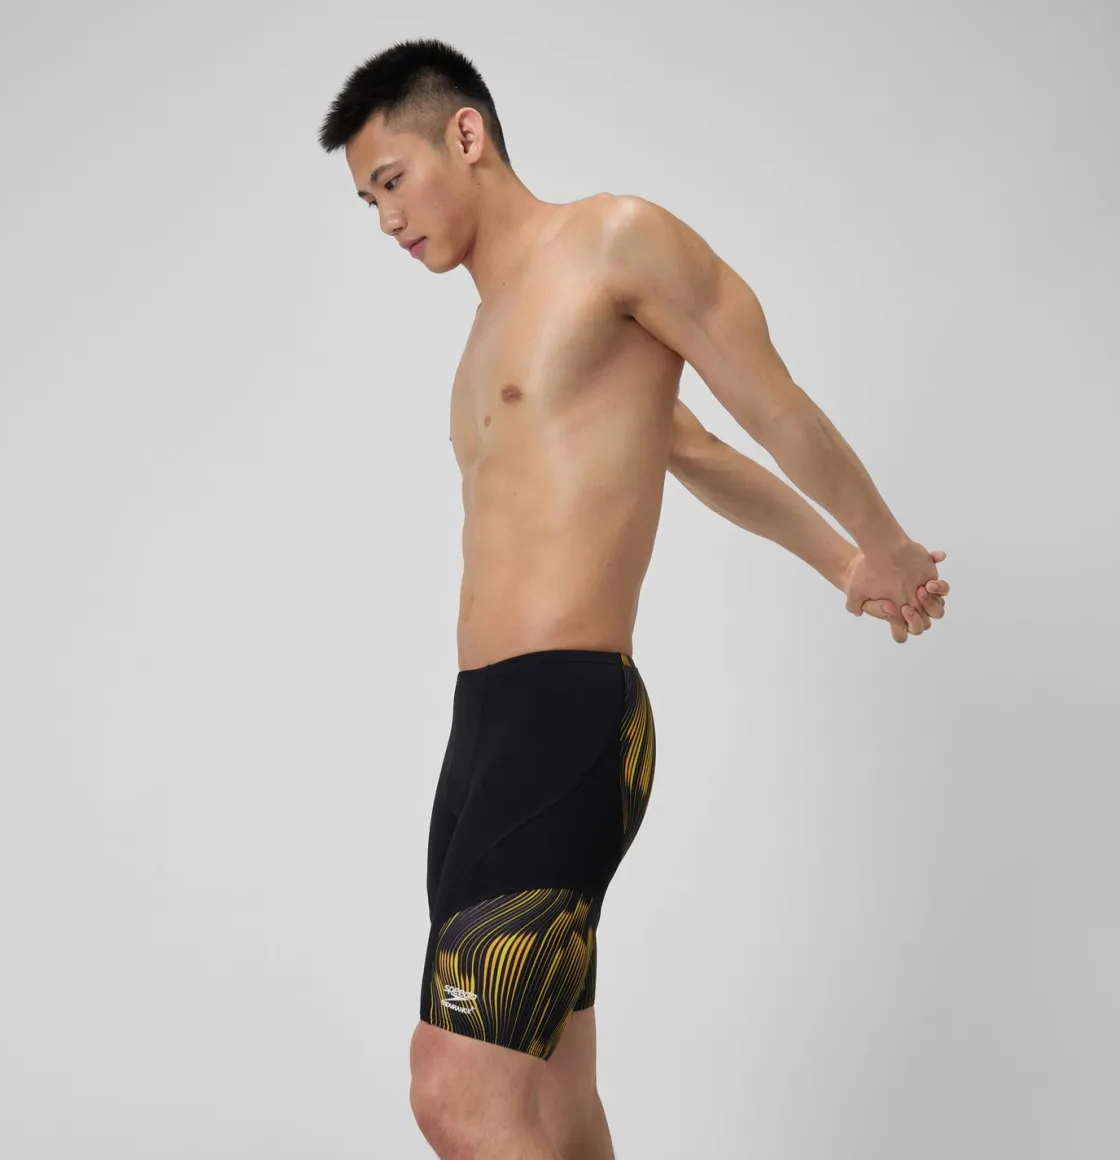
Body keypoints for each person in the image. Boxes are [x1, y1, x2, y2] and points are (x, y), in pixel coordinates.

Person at [318, 37, 950, 1160]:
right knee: (553, 1102)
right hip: (484, 731)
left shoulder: (615, 239)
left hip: (567, 721)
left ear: (465, 133)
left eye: (392, 181)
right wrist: (839, 564)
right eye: (369, 201)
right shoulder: (487, 329)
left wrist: (883, 544)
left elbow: (769, 404)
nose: (386, 220)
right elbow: (689, 449)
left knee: (455, 1094)